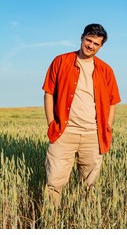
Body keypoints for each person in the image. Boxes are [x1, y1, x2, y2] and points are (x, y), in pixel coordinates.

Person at [42, 23, 121, 205]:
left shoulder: (106, 70)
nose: (91, 45)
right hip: (64, 132)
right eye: (89, 40)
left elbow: (112, 102)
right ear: (82, 38)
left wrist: (107, 127)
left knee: (89, 184)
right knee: (54, 181)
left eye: (96, 44)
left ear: (101, 47)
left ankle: (86, 220)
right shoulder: (60, 61)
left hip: (93, 135)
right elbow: (49, 93)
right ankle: (51, 221)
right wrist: (51, 123)